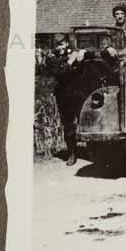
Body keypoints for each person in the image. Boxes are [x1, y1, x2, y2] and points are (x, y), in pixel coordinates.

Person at [45, 37, 85, 166]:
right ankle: (72, 153)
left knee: (87, 120)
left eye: (63, 44)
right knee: (68, 124)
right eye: (58, 45)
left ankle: (92, 149)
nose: (61, 47)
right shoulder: (51, 58)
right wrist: (71, 61)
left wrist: (83, 53)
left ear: (67, 43)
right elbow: (60, 73)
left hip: (79, 93)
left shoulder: (72, 52)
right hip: (64, 95)